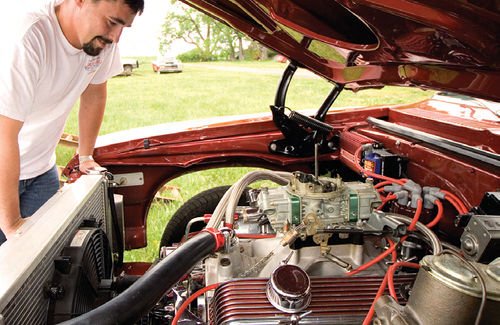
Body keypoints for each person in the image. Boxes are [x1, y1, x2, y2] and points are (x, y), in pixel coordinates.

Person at [0, 0, 144, 245]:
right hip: (4, 171)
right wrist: (12, 223)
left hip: (42, 171)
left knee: (44, 264)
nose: (115, 37)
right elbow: (4, 133)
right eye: (112, 22)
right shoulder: (29, 36)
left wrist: (85, 155)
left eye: (123, 27)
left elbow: (95, 91)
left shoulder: (102, 40)